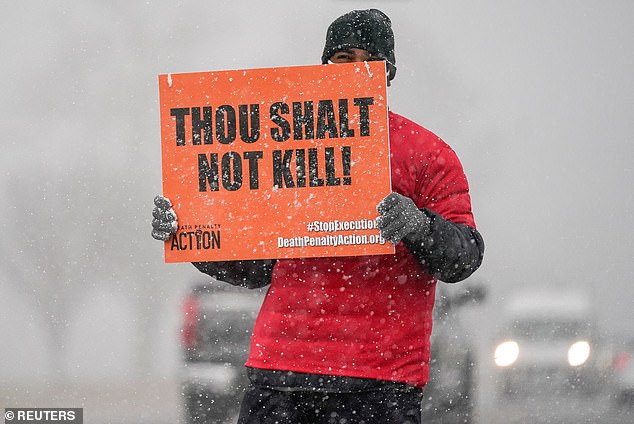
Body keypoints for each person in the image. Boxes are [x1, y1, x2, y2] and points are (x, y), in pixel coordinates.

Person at [152, 9, 484, 424]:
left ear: (389, 72)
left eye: (370, 59)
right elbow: (258, 267)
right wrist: (193, 235)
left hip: (380, 379)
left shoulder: (428, 156)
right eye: (343, 58)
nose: (356, 69)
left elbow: (465, 255)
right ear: (324, 67)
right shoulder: (283, 146)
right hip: (280, 372)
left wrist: (419, 225)